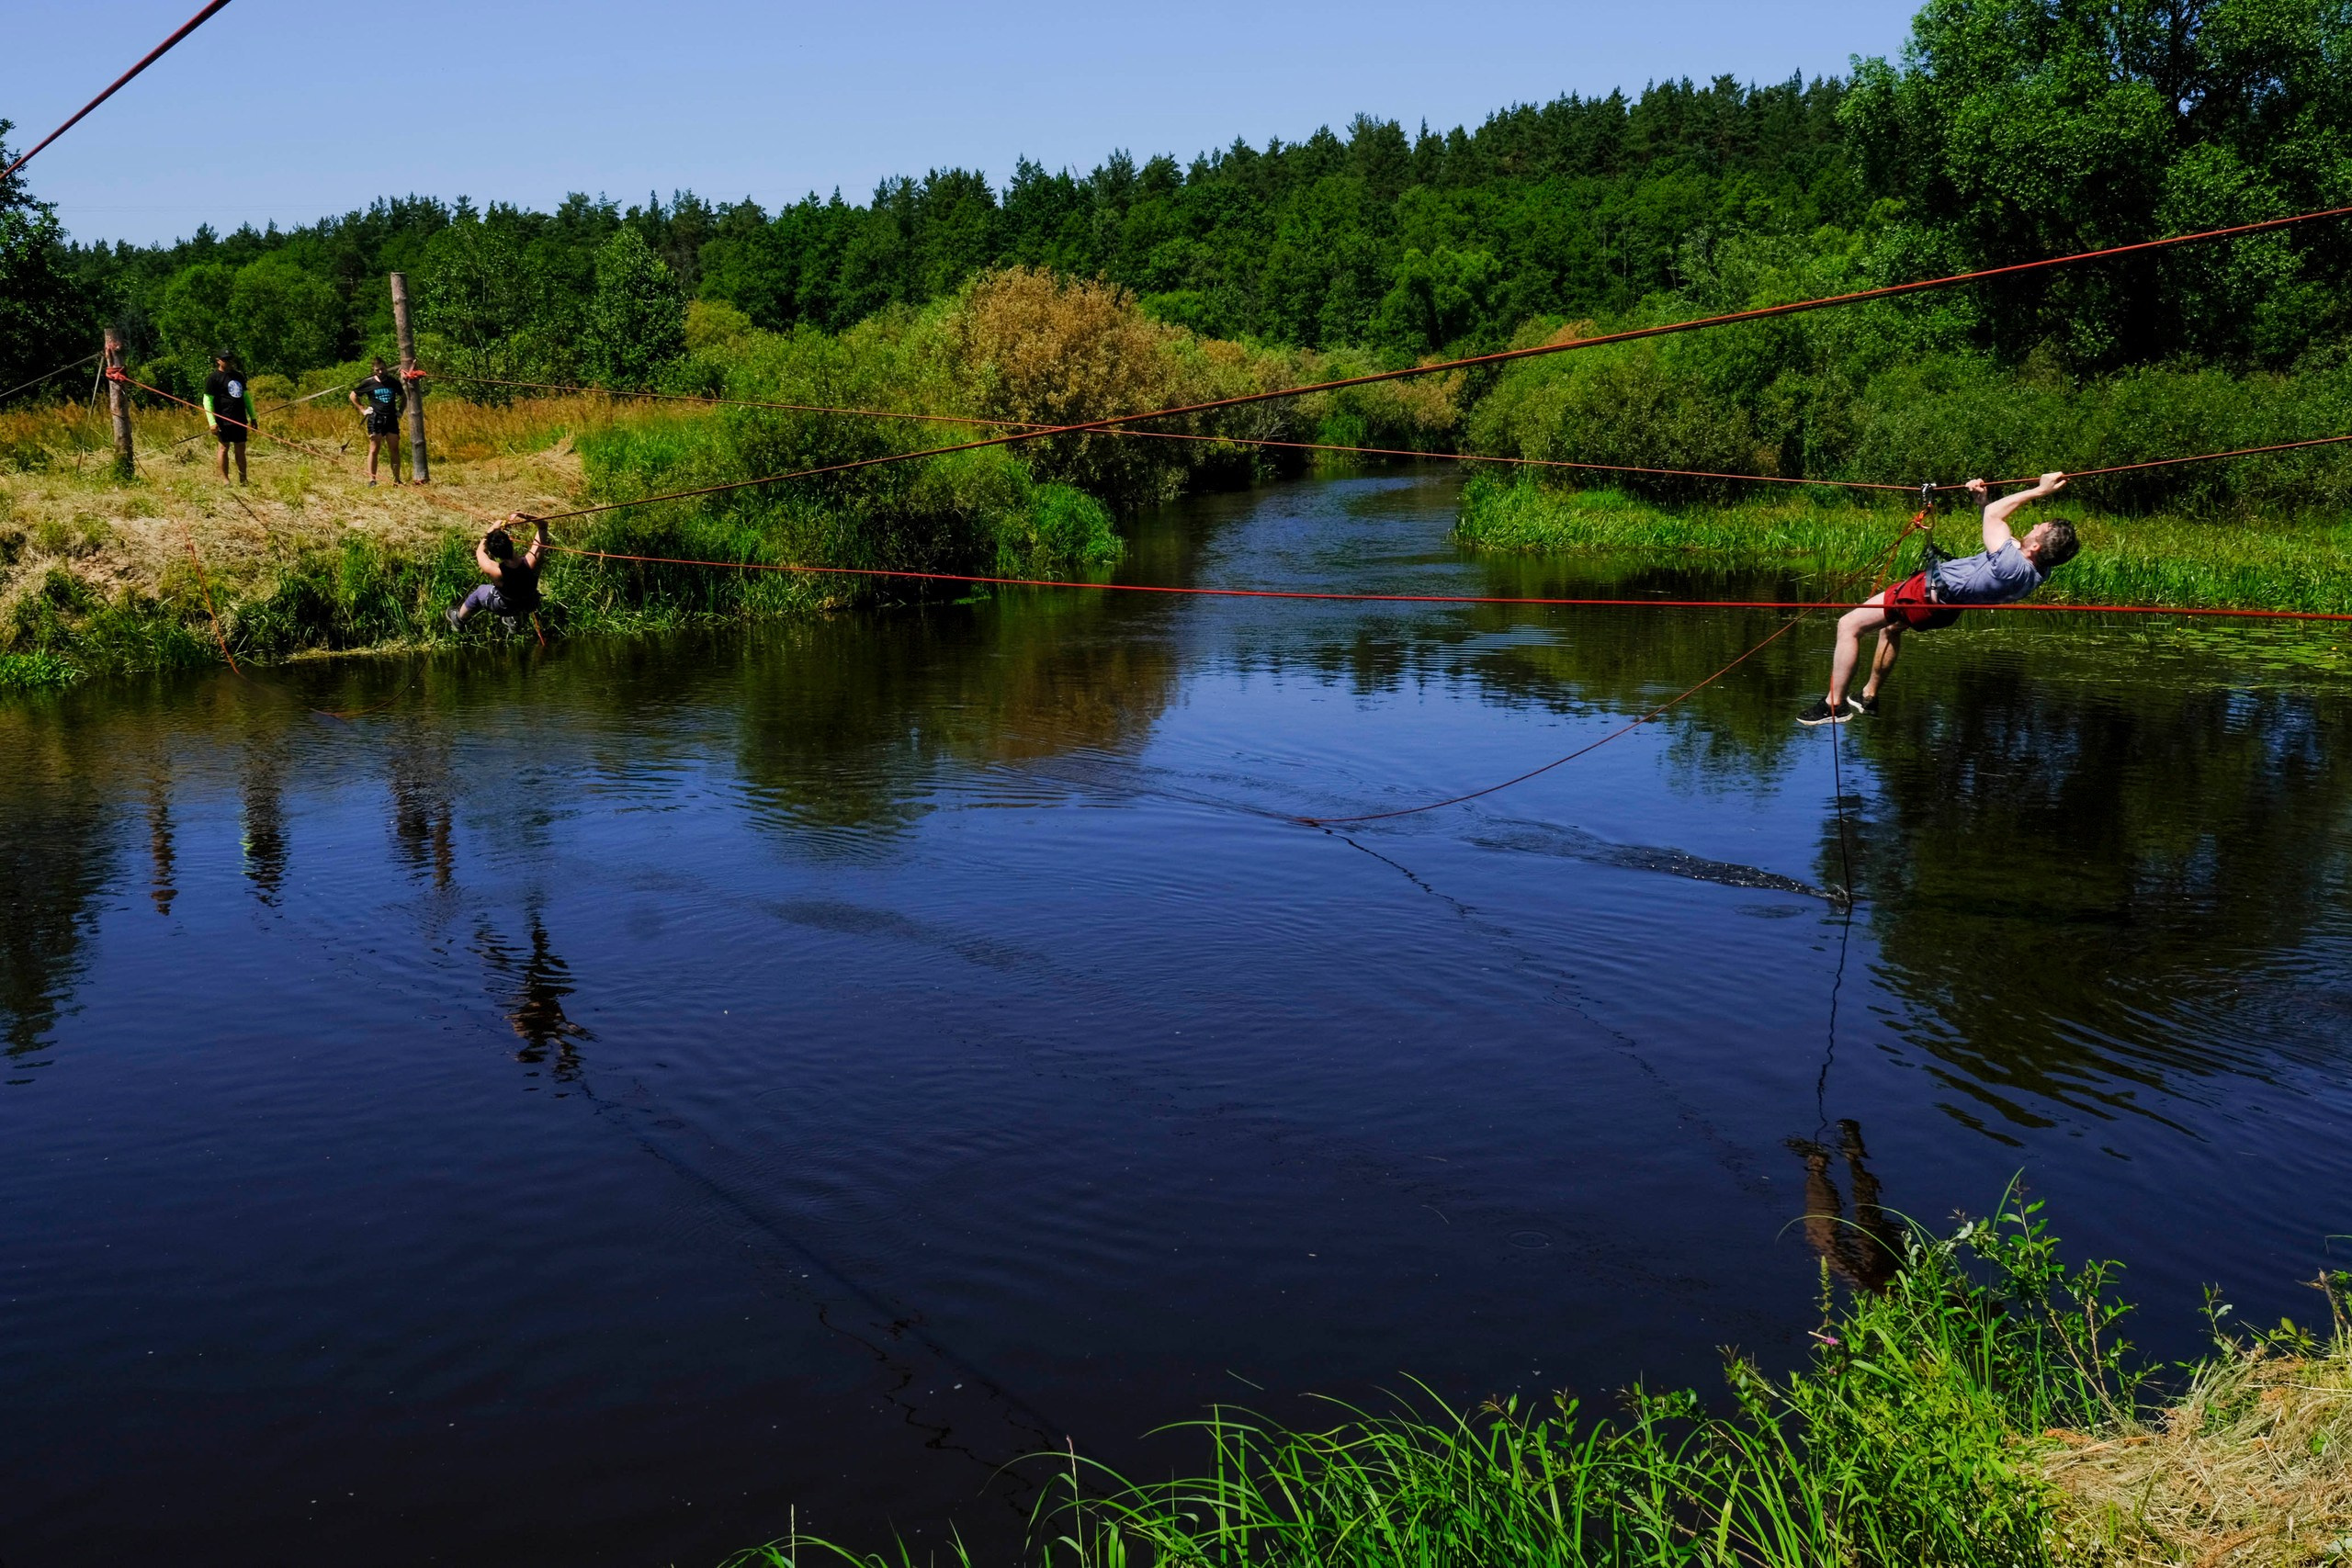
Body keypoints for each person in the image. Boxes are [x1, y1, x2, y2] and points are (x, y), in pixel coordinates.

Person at [1799, 471, 2080, 726]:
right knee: (1891, 628)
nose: (2033, 523)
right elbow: (1999, 526)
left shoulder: (2010, 563)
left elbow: (1997, 517)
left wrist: (2039, 491)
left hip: (1921, 596)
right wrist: (1983, 503)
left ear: (2034, 546)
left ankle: (1833, 705)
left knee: (1849, 625)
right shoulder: (2039, 571)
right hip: (1942, 611)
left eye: (2039, 527)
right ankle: (1868, 695)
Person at [447, 513, 548, 630]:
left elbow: (480, 552)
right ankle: (514, 621)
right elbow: (543, 526)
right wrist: (523, 515)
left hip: (505, 607)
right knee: (519, 592)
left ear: (494, 554)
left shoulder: (495, 570)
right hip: (530, 603)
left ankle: (459, 619)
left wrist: (491, 530)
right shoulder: (532, 561)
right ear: (511, 541)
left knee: (480, 592)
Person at [348, 356, 406, 486]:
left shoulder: (393, 382)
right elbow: (353, 395)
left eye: (383, 369)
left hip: (391, 418)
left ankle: (397, 480)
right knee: (374, 449)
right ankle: (372, 480)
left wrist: (400, 411)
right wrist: (362, 409)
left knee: (394, 449)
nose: (380, 372)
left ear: (386, 368)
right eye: (377, 370)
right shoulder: (368, 383)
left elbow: (404, 397)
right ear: (373, 370)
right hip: (376, 419)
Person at [202, 353, 255, 484]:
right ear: (218, 361)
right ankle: (226, 480)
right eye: (225, 360)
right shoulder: (213, 378)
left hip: (240, 419)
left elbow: (246, 397)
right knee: (223, 448)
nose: (229, 362)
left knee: (240, 449)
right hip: (223, 419)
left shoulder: (238, 376)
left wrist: (253, 417)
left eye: (230, 359)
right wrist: (212, 422)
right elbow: (207, 400)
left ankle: (243, 479)